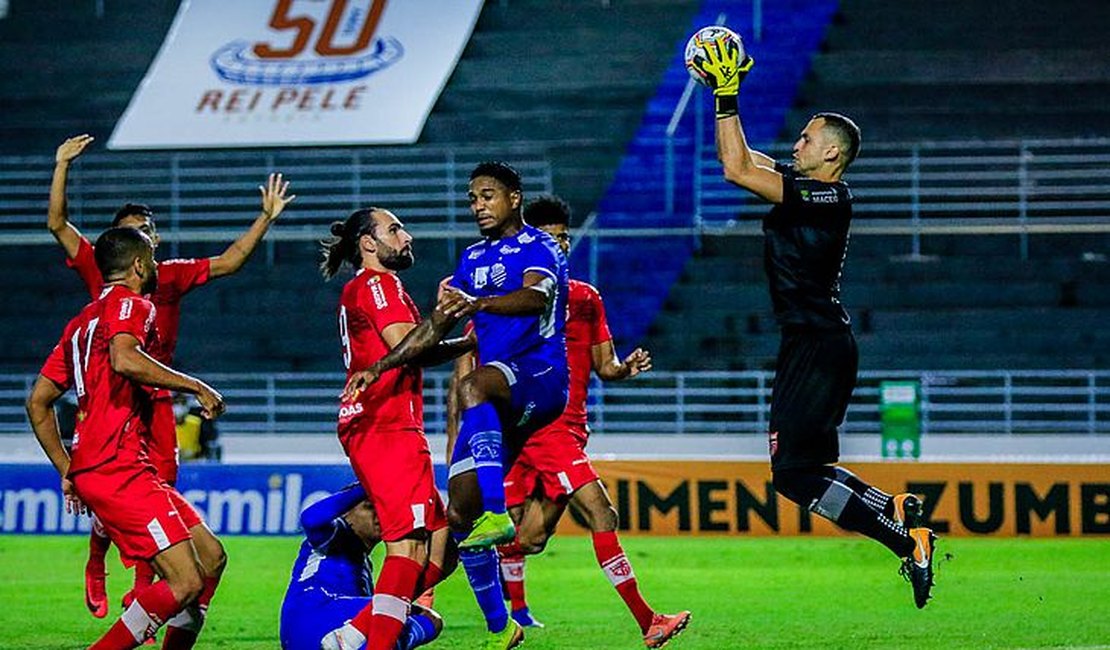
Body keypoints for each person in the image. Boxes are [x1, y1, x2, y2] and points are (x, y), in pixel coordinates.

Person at [693, 35, 937, 607]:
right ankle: (899, 518)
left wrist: (727, 95)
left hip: (819, 343)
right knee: (806, 469)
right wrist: (723, 97)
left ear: (832, 154)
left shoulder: (830, 197)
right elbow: (744, 159)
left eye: (807, 138)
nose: (797, 143)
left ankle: (906, 539)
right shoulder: (806, 190)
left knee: (796, 476)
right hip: (811, 343)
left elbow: (733, 170)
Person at [49, 134, 294, 616]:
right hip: (110, 395)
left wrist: (265, 217)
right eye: (138, 231)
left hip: (155, 400)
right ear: (123, 248)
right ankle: (97, 563)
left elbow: (229, 261)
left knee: (157, 488)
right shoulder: (107, 276)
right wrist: (62, 166)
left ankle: (145, 587)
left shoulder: (171, 275)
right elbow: (56, 223)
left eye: (150, 229)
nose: (148, 237)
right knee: (113, 485)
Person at [342, 161, 570, 649]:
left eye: (488, 195)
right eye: (472, 198)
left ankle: (498, 510)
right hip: (495, 391)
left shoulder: (539, 247)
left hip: (540, 377)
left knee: (473, 391)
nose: (478, 205)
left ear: (514, 197)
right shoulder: (470, 259)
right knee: (458, 523)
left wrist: (479, 304)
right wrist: (381, 367)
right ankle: (498, 628)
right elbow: (429, 334)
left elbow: (533, 297)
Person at [472, 195, 691, 647]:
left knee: (528, 539)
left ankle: (443, 570)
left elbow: (605, 366)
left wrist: (625, 367)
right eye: (549, 240)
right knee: (602, 513)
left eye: (564, 239)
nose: (560, 246)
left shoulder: (587, 299)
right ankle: (649, 621)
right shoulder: (520, 301)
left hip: (570, 429)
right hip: (541, 427)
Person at [25, 226, 228, 649]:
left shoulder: (81, 323)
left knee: (210, 558)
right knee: (186, 581)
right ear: (138, 265)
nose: (155, 265)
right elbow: (125, 358)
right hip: (118, 468)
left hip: (121, 465)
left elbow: (37, 403)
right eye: (152, 258)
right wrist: (195, 386)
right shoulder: (131, 304)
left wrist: (69, 467)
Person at [319, 207, 466, 650]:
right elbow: (408, 345)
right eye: (395, 229)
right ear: (369, 243)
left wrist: (463, 336)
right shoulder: (377, 285)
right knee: (407, 546)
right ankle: (373, 642)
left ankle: (355, 633)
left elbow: (416, 349)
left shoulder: (379, 287)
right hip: (384, 423)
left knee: (438, 544)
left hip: (384, 423)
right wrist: (445, 317)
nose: (406, 236)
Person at [280, 483, 449, 650]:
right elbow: (310, 519)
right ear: (345, 514)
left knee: (416, 618)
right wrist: (368, 484)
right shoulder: (335, 534)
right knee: (415, 618)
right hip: (311, 616)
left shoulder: (363, 563)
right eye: (369, 507)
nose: (379, 514)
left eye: (382, 507)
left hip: (318, 632)